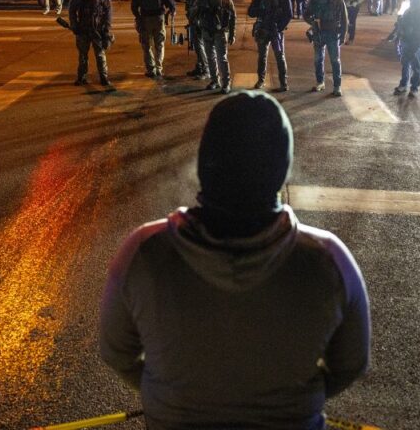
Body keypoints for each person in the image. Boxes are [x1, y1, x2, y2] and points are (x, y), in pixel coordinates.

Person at [99, 91, 371, 430]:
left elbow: (116, 352)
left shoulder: (144, 251)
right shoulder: (328, 260)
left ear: (205, 162)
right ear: (280, 168)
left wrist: (172, 397)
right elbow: (351, 364)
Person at [190, 0, 236, 94]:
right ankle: (216, 81)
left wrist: (232, 34)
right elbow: (193, 15)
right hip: (207, 32)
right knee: (212, 58)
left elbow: (232, 18)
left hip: (219, 32)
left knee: (221, 58)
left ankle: (225, 83)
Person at [303, 0, 348, 96]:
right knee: (318, 60)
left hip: (333, 33)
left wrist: (343, 34)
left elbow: (344, 18)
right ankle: (320, 82)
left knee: (335, 60)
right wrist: (312, 22)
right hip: (318, 33)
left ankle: (337, 86)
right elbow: (306, 14)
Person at [247, 0, 293, 92]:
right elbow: (250, 12)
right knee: (262, 56)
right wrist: (260, 10)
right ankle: (261, 80)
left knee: (280, 57)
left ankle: (283, 82)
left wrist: (280, 27)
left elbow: (288, 15)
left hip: (275, 30)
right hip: (263, 29)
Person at [66, 0, 112, 87]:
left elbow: (108, 15)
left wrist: (106, 31)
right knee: (83, 56)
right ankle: (82, 77)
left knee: (100, 55)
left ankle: (103, 77)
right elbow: (72, 11)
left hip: (98, 31)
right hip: (83, 30)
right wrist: (75, 25)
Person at [132, 0, 176, 78]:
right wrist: (168, 14)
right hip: (159, 19)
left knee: (147, 46)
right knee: (159, 45)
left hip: (145, 19)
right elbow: (171, 5)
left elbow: (133, 7)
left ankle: (151, 69)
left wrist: (138, 17)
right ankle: (159, 68)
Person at [184, 0, 209, 80]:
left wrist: (192, 19)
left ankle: (205, 69)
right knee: (198, 45)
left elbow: (194, 8)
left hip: (197, 22)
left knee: (199, 46)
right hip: (198, 21)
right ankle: (199, 67)